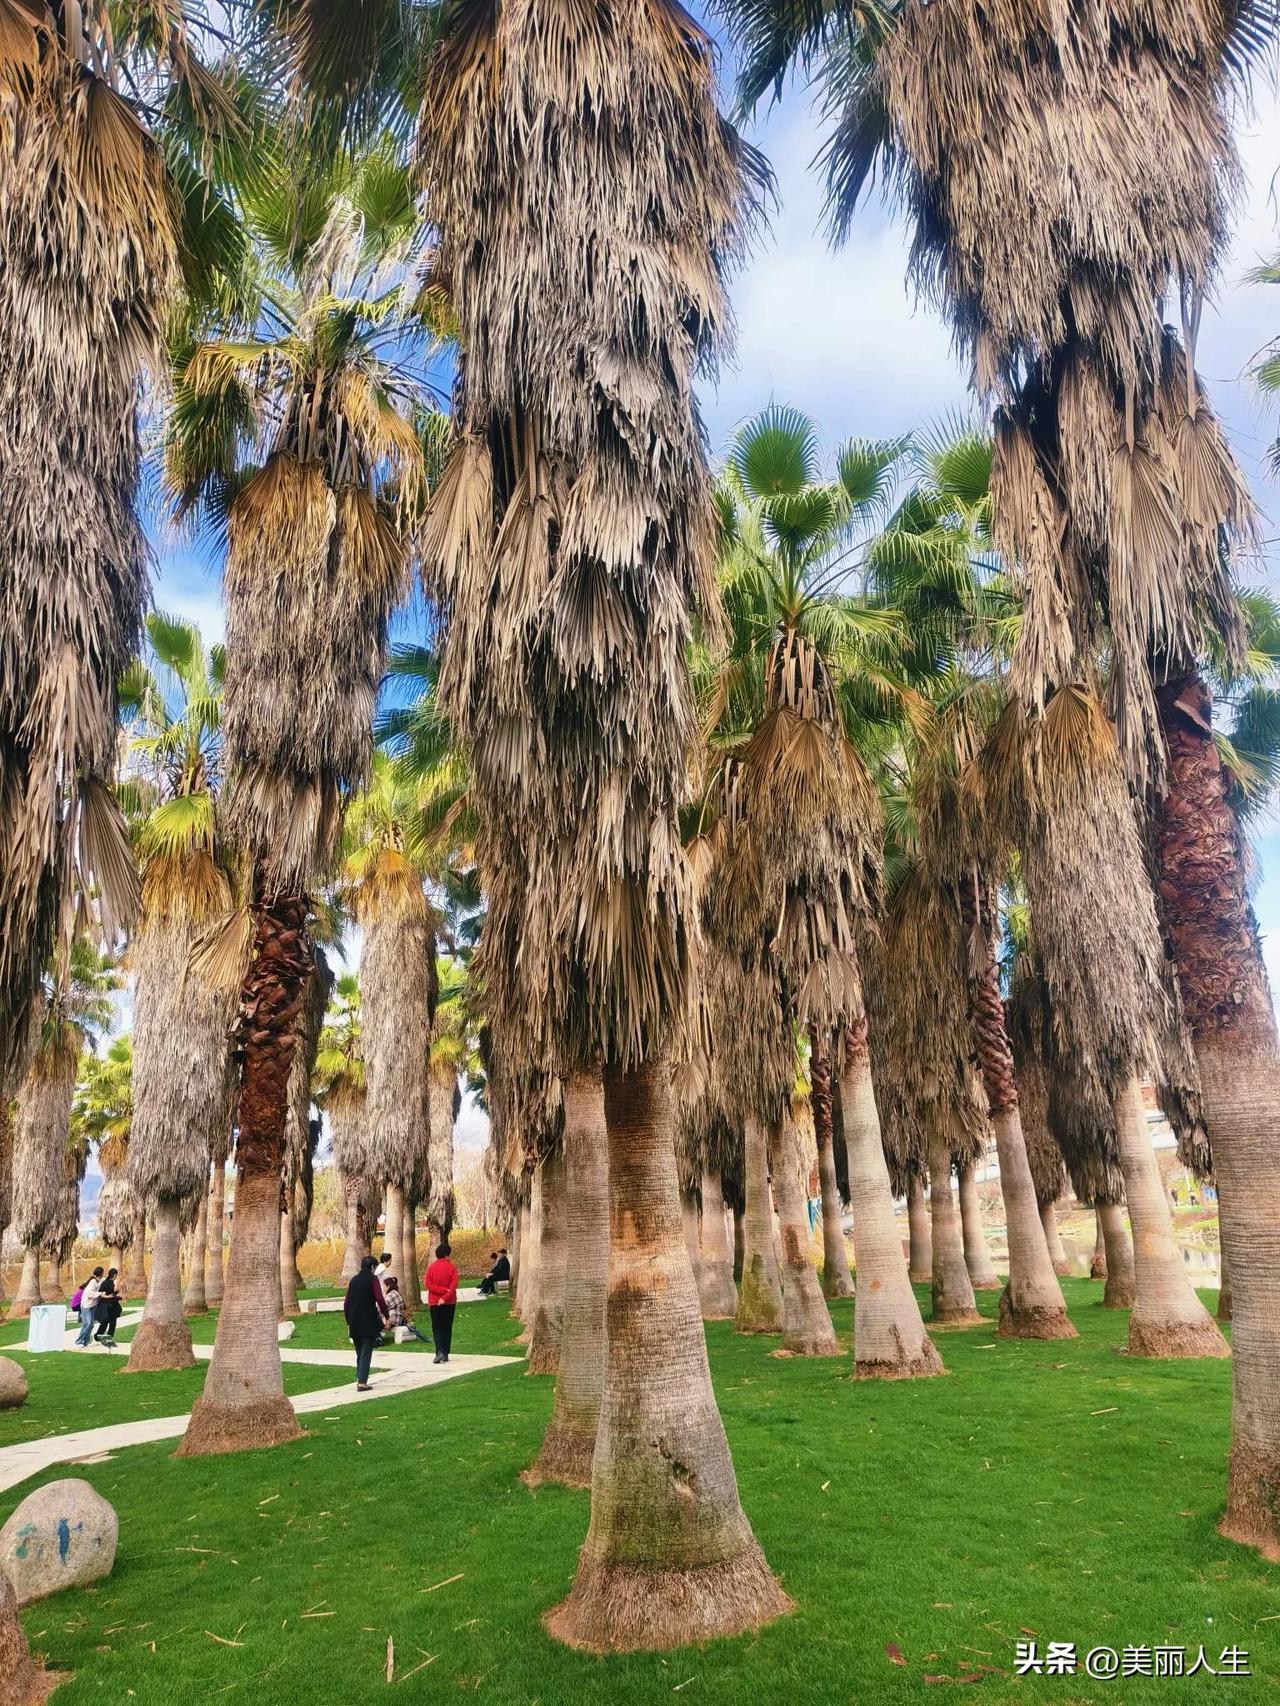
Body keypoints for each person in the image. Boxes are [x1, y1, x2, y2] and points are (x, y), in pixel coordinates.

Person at [344, 1253, 389, 1390]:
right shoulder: (372, 1279)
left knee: (359, 1351)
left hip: (354, 1321)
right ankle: (362, 1382)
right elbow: (379, 1299)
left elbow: (346, 1303)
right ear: (372, 1267)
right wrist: (386, 1316)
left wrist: (348, 1320)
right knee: (366, 1351)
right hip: (368, 1320)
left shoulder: (353, 1280)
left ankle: (360, 1377)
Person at [424, 1242, 460, 1365]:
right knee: (447, 1327)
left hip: (434, 1302)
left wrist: (440, 1292)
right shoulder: (452, 1267)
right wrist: (445, 1294)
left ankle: (439, 1351)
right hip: (449, 1302)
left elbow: (428, 1284)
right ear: (447, 1254)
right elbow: (453, 1285)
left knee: (437, 1328)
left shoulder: (431, 1268)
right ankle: (445, 1352)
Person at [382, 1277, 432, 1346]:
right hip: (399, 1319)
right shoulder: (395, 1292)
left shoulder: (391, 1295)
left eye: (384, 1285)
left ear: (388, 1286)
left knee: (376, 1321)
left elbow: (382, 1307)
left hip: (394, 1320)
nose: (383, 1288)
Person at [75, 1268, 104, 1347]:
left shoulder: (99, 1280)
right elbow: (90, 1294)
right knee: (87, 1324)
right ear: (101, 1274)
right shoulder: (92, 1282)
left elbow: (105, 1280)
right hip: (86, 1305)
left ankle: (86, 1342)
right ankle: (78, 1341)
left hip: (92, 1305)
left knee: (91, 1324)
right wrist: (100, 1293)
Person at [92, 1269, 121, 1346]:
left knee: (107, 1322)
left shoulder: (108, 1282)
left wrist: (116, 1294)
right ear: (114, 1275)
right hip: (108, 1306)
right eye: (116, 1275)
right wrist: (114, 1296)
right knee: (110, 1323)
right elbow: (104, 1294)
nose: (116, 1276)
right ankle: (101, 1337)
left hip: (110, 1305)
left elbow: (110, 1293)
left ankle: (100, 1337)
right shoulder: (108, 1283)